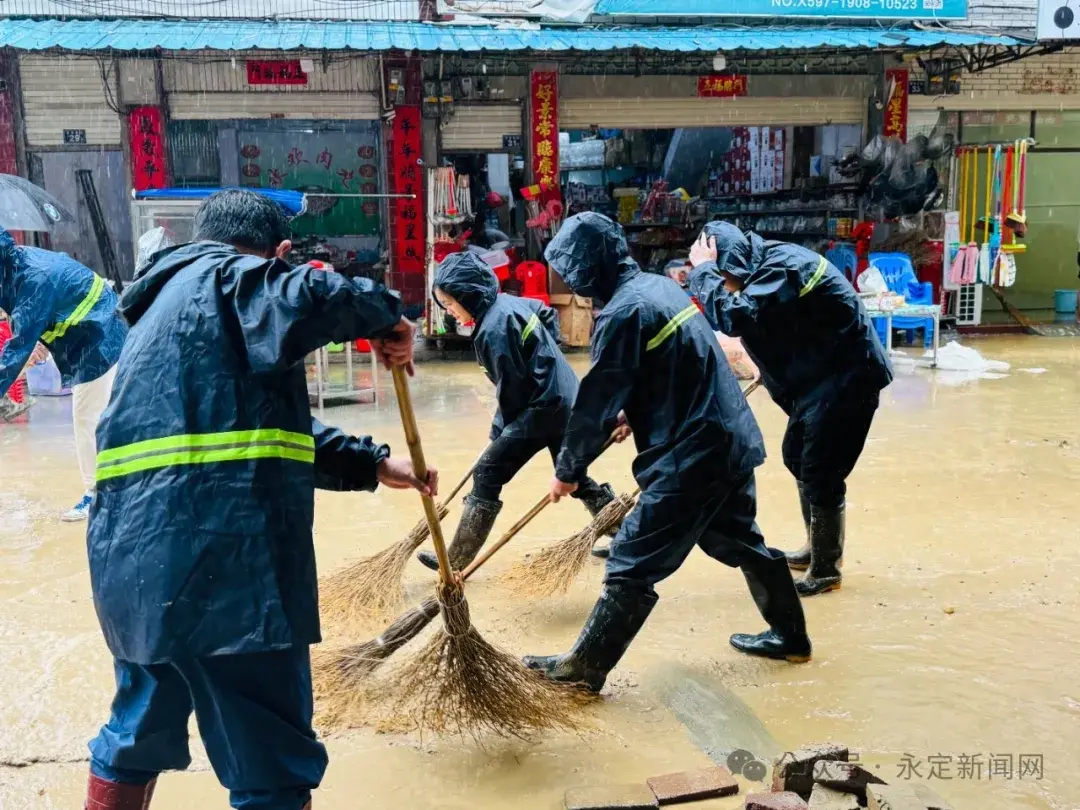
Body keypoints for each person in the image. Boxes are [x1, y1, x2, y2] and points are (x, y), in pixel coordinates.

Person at [84, 189, 435, 810]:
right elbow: (323, 294)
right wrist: (390, 317)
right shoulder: (233, 276)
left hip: (134, 572)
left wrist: (374, 462)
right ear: (276, 254)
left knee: (137, 730)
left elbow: (245, 434)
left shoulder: (158, 309)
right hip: (229, 569)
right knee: (270, 762)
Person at [522, 212, 811, 694]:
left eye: (571, 271)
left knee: (631, 558)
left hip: (692, 453)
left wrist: (568, 470)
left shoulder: (621, 314)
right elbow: (673, 365)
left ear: (589, 267)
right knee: (740, 541)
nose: (570, 281)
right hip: (729, 438)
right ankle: (791, 636)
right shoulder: (659, 288)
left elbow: (595, 401)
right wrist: (633, 415)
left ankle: (584, 669)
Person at [688, 222, 892, 597]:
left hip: (847, 378)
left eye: (724, 276)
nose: (726, 284)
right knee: (798, 458)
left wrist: (701, 270)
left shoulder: (780, 267)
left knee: (819, 469)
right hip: (819, 376)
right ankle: (818, 547)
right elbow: (777, 324)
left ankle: (827, 568)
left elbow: (735, 317)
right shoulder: (763, 268)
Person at [418, 251, 622, 569]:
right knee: (573, 476)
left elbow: (511, 397)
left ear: (468, 295)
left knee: (487, 471)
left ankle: (454, 562)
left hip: (544, 407)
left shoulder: (492, 331)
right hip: (565, 398)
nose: (450, 312)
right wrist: (550, 354)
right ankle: (627, 537)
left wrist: (499, 437)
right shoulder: (508, 303)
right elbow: (545, 313)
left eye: (451, 303)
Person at [0, 228, 128, 521]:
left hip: (99, 334)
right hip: (84, 329)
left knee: (87, 418)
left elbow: (14, 354)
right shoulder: (13, 267)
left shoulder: (32, 278)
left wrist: (27, 343)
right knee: (104, 416)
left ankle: (95, 495)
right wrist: (36, 340)